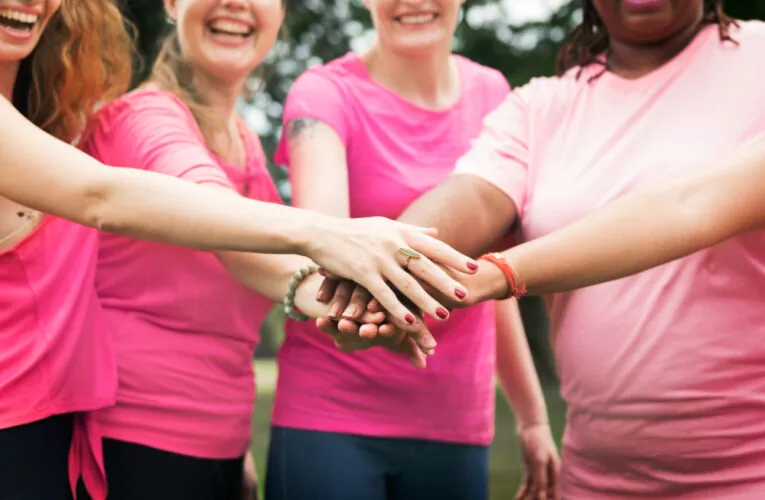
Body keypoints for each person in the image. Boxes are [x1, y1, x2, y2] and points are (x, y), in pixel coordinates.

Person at [0, 1, 475, 499]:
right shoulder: (144, 117)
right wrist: (329, 236)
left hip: (201, 441)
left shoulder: (244, 140)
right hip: (133, 440)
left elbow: (263, 266)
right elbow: (173, 207)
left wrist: (354, 304)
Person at [324, 1, 765, 498]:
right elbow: (474, 194)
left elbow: (691, 206)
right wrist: (377, 275)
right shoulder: (543, 105)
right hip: (594, 477)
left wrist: (497, 273)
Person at [267, 1, 560, 499]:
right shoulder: (324, 94)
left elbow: (486, 274)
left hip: (455, 418)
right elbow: (327, 244)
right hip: (330, 413)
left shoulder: (493, 93)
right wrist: (358, 325)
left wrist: (532, 417)